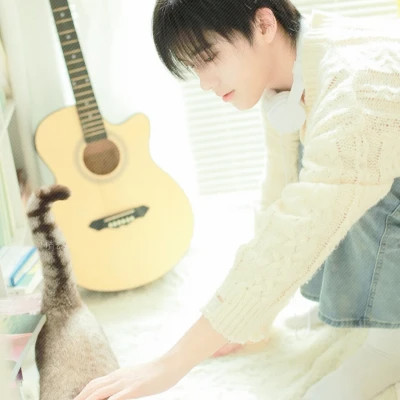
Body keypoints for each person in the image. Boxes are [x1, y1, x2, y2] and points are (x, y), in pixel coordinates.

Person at [74, 1, 400, 399]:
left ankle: (389, 346)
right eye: (193, 67)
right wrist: (247, 318)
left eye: (209, 57)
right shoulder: (291, 73)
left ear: (264, 24)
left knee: (344, 182)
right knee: (314, 178)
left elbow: (304, 226)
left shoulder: (356, 87)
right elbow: (280, 197)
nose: (205, 83)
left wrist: (170, 365)